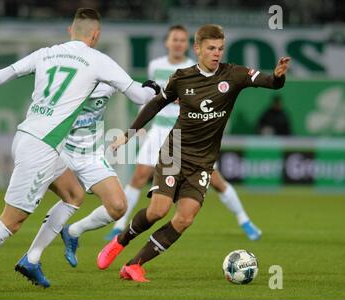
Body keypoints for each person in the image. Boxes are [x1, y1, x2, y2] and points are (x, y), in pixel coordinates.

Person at [0, 8, 159, 294]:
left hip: (27, 135)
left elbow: (5, 73)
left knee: (73, 195)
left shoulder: (47, 53)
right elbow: (138, 96)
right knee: (11, 221)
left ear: (69, 31)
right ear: (96, 35)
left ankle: (31, 259)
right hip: (43, 146)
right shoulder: (98, 60)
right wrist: (152, 88)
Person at [98, 24, 290, 282]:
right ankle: (119, 242)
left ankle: (134, 265)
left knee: (185, 218)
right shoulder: (182, 77)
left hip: (203, 162)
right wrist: (128, 134)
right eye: (211, 48)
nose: (216, 53)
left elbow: (271, 83)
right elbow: (155, 104)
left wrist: (278, 76)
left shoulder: (234, 74)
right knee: (158, 211)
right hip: (174, 150)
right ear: (197, 48)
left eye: (220, 48)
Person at [0, 81, 157, 273]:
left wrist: (158, 89)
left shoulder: (106, 72)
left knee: (118, 206)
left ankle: (73, 231)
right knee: (24, 208)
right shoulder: (65, 76)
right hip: (57, 149)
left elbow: (136, 89)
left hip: (89, 155)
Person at [105, 25, 261, 243]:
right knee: (139, 176)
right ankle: (119, 226)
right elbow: (155, 98)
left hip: (189, 134)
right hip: (160, 129)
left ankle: (244, 220)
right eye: (174, 40)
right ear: (167, 43)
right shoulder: (156, 66)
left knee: (216, 181)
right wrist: (138, 125)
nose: (178, 44)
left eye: (181, 40)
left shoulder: (194, 68)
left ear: (189, 45)